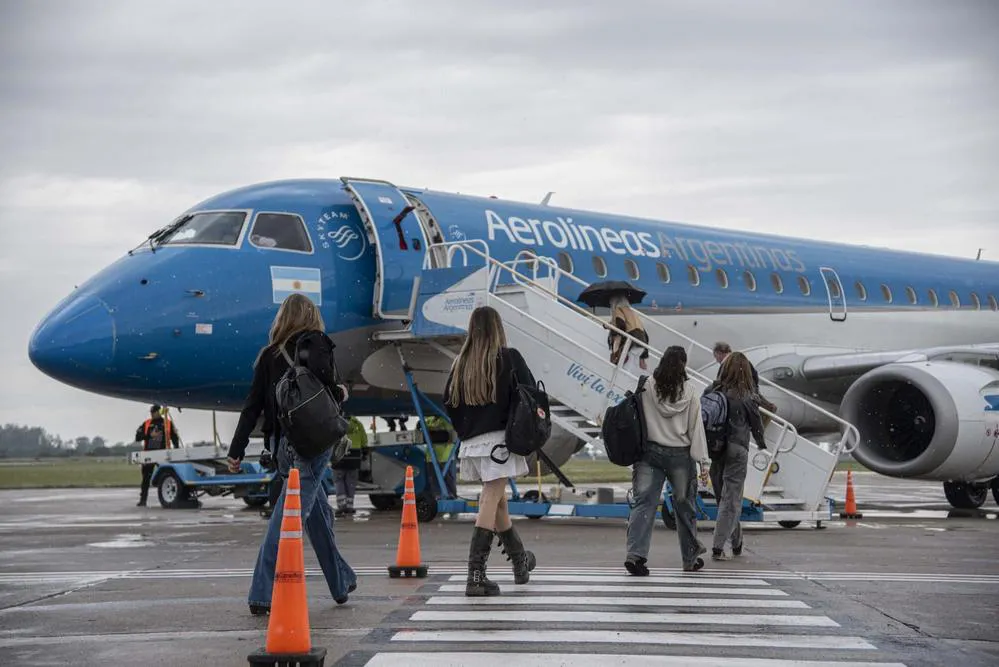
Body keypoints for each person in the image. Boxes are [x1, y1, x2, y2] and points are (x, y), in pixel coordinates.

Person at [226, 293, 356, 615]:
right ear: (311, 316)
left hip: (280, 445)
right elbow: (331, 391)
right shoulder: (315, 345)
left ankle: (340, 581)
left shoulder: (268, 356)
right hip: (311, 444)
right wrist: (342, 392)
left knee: (318, 515)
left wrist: (236, 450)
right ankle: (261, 592)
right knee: (288, 519)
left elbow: (251, 406)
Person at [444, 305, 538, 597]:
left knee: (498, 501)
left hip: (473, 441)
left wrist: (467, 429)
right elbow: (530, 393)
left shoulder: (460, 362)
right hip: (500, 440)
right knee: (490, 498)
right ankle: (475, 574)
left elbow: (449, 402)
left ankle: (520, 560)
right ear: (498, 328)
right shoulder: (509, 358)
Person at [625, 346, 709, 575]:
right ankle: (690, 558)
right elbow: (696, 429)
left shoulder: (647, 385)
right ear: (683, 364)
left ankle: (635, 556)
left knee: (644, 504)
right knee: (685, 507)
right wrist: (704, 463)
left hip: (649, 454)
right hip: (680, 456)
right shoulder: (691, 392)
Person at [706, 351, 767, 561]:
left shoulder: (712, 390)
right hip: (738, 449)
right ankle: (717, 545)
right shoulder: (748, 396)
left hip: (714, 449)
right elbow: (757, 426)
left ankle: (737, 540)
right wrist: (761, 444)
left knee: (722, 498)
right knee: (731, 500)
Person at [134, 404, 179, 507]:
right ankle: (143, 500)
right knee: (146, 478)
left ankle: (169, 496)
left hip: (163, 454)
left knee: (167, 476)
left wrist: (176, 450)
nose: (152, 414)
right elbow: (137, 437)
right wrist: (150, 435)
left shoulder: (167, 423)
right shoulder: (146, 423)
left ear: (159, 412)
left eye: (154, 412)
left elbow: (174, 438)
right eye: (151, 412)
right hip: (149, 454)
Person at [608, 295, 650, 371]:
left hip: (631, 343)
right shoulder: (632, 312)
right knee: (630, 368)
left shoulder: (618, 310)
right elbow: (645, 334)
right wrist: (643, 358)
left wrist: (615, 351)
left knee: (624, 369)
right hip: (641, 344)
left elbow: (620, 327)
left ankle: (620, 382)